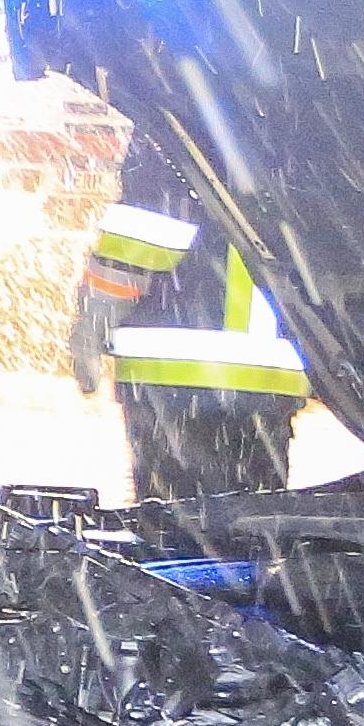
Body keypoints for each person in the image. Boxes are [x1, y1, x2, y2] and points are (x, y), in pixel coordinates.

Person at [70, 137, 305, 501]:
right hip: (269, 381)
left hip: (177, 377)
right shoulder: (288, 124)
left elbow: (145, 233)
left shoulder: (179, 123)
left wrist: (92, 323)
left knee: (177, 531)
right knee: (251, 524)